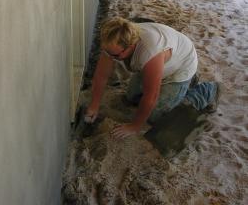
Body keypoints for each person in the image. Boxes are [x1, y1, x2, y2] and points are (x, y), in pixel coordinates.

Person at [85, 17, 220, 139]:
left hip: (181, 66)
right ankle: (184, 87)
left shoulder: (149, 52)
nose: (111, 57)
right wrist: (94, 105)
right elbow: (101, 76)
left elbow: (151, 96)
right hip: (159, 62)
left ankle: (207, 90)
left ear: (130, 46)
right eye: (108, 53)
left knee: (155, 116)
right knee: (132, 97)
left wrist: (134, 127)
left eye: (115, 56)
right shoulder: (114, 40)